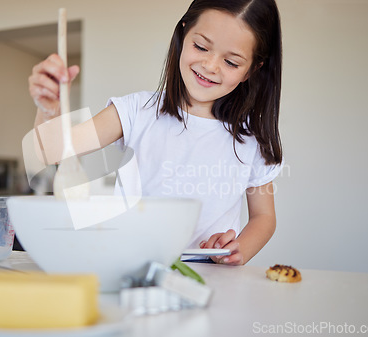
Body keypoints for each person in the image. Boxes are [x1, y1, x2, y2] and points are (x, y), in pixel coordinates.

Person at [28, 0, 283, 265]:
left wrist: (239, 249)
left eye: (231, 62)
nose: (210, 65)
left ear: (252, 69)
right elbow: (52, 151)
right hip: (131, 269)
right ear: (183, 34)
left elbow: (264, 217)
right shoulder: (136, 111)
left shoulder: (252, 137)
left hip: (212, 278)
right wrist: (48, 109)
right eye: (201, 46)